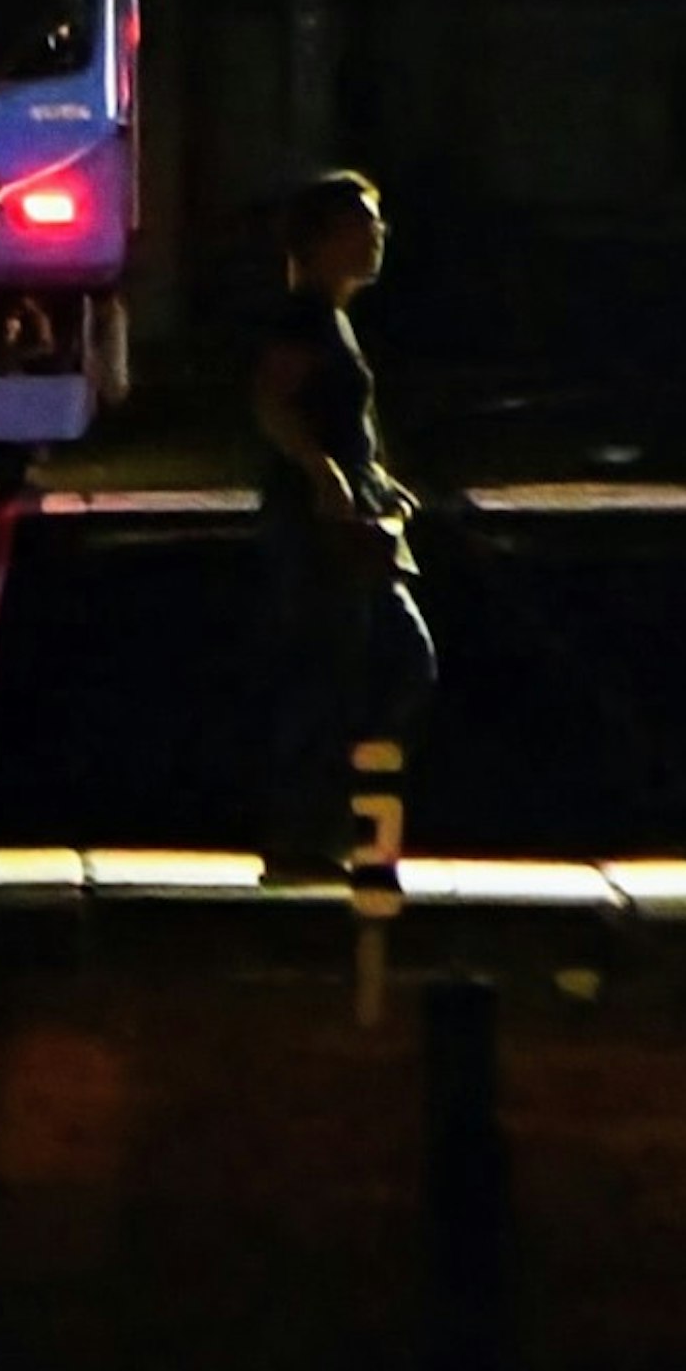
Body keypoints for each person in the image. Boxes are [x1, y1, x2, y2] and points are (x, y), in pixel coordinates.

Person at [250, 168, 439, 883]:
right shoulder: (303, 319)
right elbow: (273, 403)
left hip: (351, 524)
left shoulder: (332, 318)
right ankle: (317, 836)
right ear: (324, 240)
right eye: (363, 224)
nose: (377, 237)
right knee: (351, 670)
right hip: (321, 531)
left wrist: (378, 482)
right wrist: (327, 479)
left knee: (376, 668)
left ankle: (342, 832)